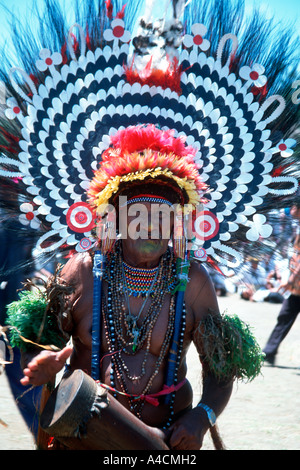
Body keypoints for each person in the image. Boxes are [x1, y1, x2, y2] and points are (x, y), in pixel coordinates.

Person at [0, 0, 298, 452]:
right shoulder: (80, 272)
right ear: (114, 218)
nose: (150, 226)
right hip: (85, 437)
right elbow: (30, 346)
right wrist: (41, 361)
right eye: (138, 212)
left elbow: (220, 373)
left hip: (170, 441)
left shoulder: (193, 282)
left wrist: (202, 415)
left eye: (164, 214)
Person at [263, 204, 300, 365]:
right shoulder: (297, 226)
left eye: (293, 207)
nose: (290, 210)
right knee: (285, 315)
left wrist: (292, 279)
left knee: (285, 315)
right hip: (296, 284)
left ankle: (269, 351)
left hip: (296, 281)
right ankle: (269, 351)